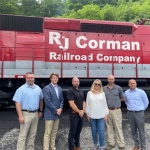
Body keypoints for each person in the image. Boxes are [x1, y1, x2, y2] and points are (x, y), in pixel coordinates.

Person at [12, 72, 43, 150]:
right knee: (23, 135)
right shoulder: (21, 89)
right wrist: (20, 116)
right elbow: (17, 103)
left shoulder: (38, 88)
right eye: (28, 77)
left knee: (32, 135)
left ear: (34, 78)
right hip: (25, 114)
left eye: (32, 77)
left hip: (35, 114)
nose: (30, 79)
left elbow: (41, 100)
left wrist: (40, 111)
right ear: (25, 78)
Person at [124, 79, 149, 150]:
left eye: (133, 83)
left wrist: (141, 110)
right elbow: (126, 102)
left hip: (139, 113)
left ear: (136, 84)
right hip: (130, 113)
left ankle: (143, 147)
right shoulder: (126, 93)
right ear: (128, 84)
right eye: (131, 83)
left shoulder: (141, 92)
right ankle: (136, 145)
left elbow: (146, 102)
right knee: (133, 130)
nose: (132, 84)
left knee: (141, 130)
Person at [103, 75, 125, 150]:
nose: (111, 80)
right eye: (109, 79)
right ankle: (111, 144)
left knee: (118, 127)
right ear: (107, 79)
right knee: (109, 128)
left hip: (116, 110)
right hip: (107, 111)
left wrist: (116, 103)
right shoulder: (104, 88)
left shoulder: (118, 88)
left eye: (112, 79)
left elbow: (122, 98)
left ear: (114, 79)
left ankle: (121, 145)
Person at [86, 79, 109, 150]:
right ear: (93, 84)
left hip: (101, 115)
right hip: (92, 115)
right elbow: (87, 104)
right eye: (96, 84)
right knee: (94, 130)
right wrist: (87, 114)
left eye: (99, 84)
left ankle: (102, 146)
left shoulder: (102, 93)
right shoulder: (89, 93)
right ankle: (96, 144)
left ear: (100, 86)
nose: (97, 85)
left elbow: (105, 104)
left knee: (101, 131)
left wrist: (106, 114)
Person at [43, 73, 64, 150]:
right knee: (47, 133)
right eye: (53, 78)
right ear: (50, 79)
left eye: (56, 78)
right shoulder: (46, 88)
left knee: (54, 132)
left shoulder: (59, 88)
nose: (55, 79)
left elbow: (62, 99)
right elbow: (47, 101)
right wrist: (56, 110)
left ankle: (53, 147)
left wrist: (61, 108)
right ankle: (46, 148)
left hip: (57, 114)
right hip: (50, 114)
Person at [67, 77, 86, 150]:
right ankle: (71, 147)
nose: (76, 82)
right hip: (74, 114)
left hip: (80, 114)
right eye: (74, 81)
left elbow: (83, 101)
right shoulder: (70, 91)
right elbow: (71, 104)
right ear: (72, 82)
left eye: (77, 81)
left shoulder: (81, 91)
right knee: (72, 132)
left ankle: (77, 146)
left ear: (79, 82)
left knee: (78, 131)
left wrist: (83, 110)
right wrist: (79, 111)